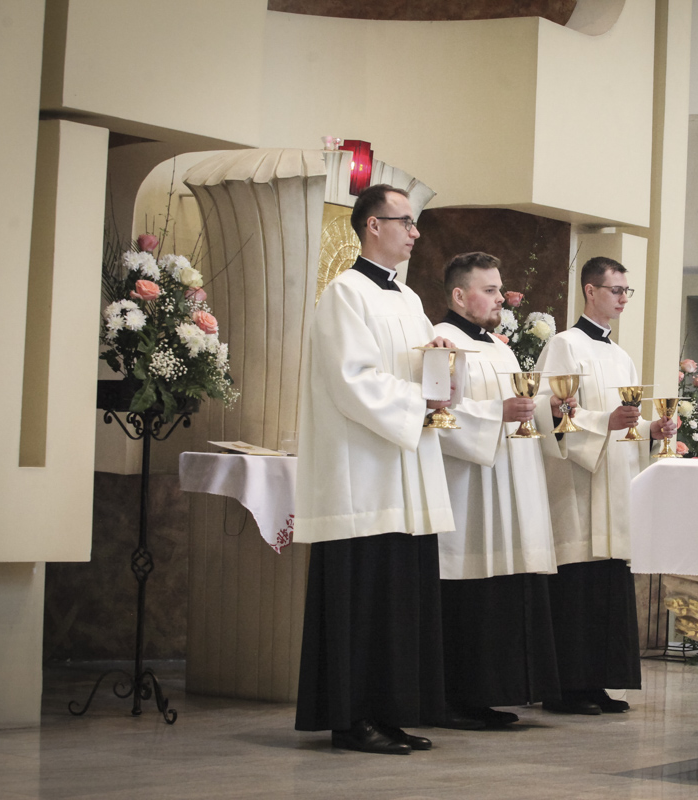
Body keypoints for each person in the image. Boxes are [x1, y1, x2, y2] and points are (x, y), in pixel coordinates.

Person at [293, 184, 457, 755]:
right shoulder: (345, 293)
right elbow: (351, 380)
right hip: (363, 478)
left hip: (404, 473)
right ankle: (351, 718)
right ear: (372, 226)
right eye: (405, 221)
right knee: (362, 600)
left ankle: (390, 712)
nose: (415, 232)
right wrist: (418, 399)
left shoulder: (408, 300)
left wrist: (442, 368)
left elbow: (421, 378)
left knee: (398, 601)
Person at [532, 256, 677, 715]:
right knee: (578, 586)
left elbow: (626, 425)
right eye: (616, 290)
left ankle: (595, 683)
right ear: (590, 291)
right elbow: (550, 412)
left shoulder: (621, 356)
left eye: (626, 291)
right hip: (578, 487)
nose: (623, 299)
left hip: (614, 485)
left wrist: (652, 430)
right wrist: (604, 423)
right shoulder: (564, 344)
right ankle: (565, 690)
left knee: (607, 584)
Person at [431, 251, 564, 727]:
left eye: (499, 290)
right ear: (458, 295)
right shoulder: (441, 343)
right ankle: (455, 700)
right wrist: (496, 414)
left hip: (510, 484)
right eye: (489, 291)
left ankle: (489, 694)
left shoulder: (501, 349)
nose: (500, 300)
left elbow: (521, 407)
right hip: (469, 491)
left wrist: (548, 408)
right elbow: (437, 415)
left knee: (504, 589)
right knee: (470, 595)